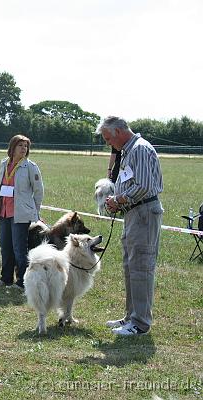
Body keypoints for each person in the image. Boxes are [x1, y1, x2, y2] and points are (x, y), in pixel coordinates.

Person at [100, 116, 163, 336]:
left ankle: (140, 323)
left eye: (108, 138)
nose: (109, 143)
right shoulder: (129, 150)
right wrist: (117, 199)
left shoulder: (140, 149)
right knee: (130, 266)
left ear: (118, 131)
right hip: (133, 213)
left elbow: (144, 186)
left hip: (144, 213)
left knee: (141, 268)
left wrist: (119, 200)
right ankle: (130, 317)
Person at [0, 134, 44, 290]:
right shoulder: (4, 163)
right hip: (4, 212)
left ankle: (22, 282)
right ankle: (6, 278)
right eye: (20, 145)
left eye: (26, 146)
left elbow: (38, 191)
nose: (24, 149)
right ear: (12, 147)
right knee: (5, 246)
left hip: (21, 214)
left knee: (19, 249)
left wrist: (35, 212)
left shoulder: (30, 167)